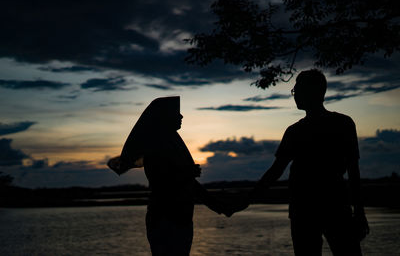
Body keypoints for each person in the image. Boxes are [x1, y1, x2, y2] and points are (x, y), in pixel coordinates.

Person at [246, 69, 369, 255]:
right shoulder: (342, 123)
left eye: (297, 91)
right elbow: (353, 171)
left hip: (314, 209)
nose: (294, 96)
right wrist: (359, 211)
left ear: (313, 92)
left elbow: (275, 171)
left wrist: (245, 199)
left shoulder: (298, 131)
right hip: (324, 207)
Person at [108, 96, 229, 256]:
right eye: (176, 113)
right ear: (164, 117)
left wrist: (218, 205)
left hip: (181, 217)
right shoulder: (156, 146)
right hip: (165, 219)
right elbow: (161, 184)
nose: (181, 117)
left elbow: (189, 184)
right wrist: (187, 174)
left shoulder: (173, 142)